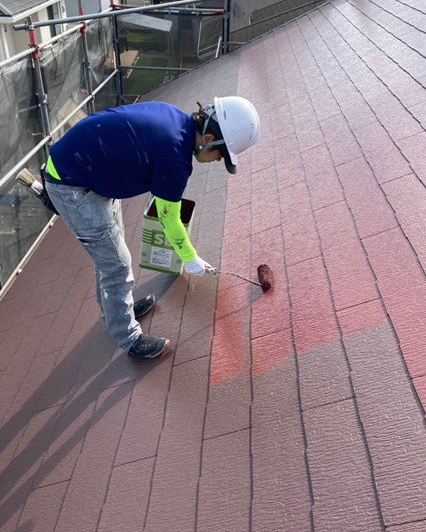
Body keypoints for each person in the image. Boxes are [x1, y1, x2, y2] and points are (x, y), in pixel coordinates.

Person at [16, 97, 260, 358]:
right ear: (208, 139)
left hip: (87, 171)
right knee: (116, 264)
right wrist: (190, 257)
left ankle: (116, 310)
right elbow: (168, 217)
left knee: (110, 256)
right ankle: (128, 337)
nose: (217, 161)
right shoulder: (174, 156)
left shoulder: (174, 117)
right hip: (72, 185)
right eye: (221, 155)